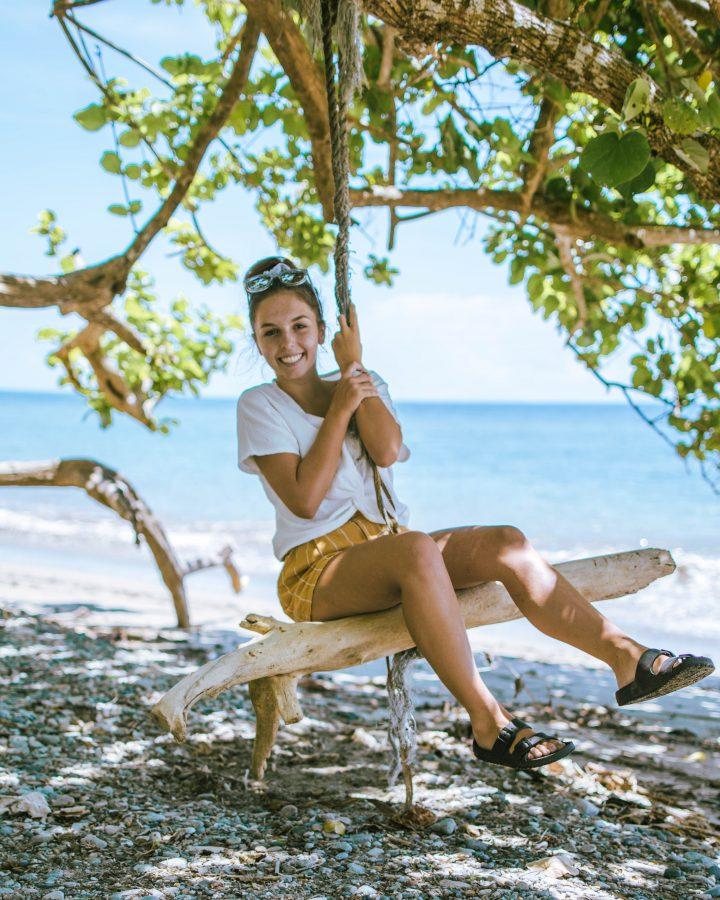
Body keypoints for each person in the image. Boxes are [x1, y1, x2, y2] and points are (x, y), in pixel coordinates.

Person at [235, 255, 715, 771]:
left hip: (389, 550)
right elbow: (304, 500)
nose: (288, 344)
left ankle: (626, 659)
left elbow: (387, 450)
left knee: (503, 541)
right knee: (416, 548)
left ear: (325, 329)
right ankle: (489, 723)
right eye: (271, 332)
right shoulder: (259, 405)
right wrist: (341, 406)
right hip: (318, 572)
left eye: (300, 326)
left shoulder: (362, 380)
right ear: (257, 340)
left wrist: (353, 373)